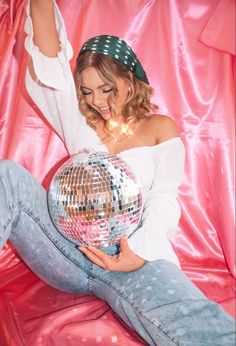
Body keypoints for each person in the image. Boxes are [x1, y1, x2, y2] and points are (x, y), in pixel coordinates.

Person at [0, 0, 234, 344]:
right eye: (87, 91)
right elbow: (48, 54)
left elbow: (164, 199)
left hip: (133, 255)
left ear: (130, 77)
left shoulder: (159, 128)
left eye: (107, 89)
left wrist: (137, 253)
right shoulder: (79, 122)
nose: (97, 100)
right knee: (6, 176)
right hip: (66, 250)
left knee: (195, 320)